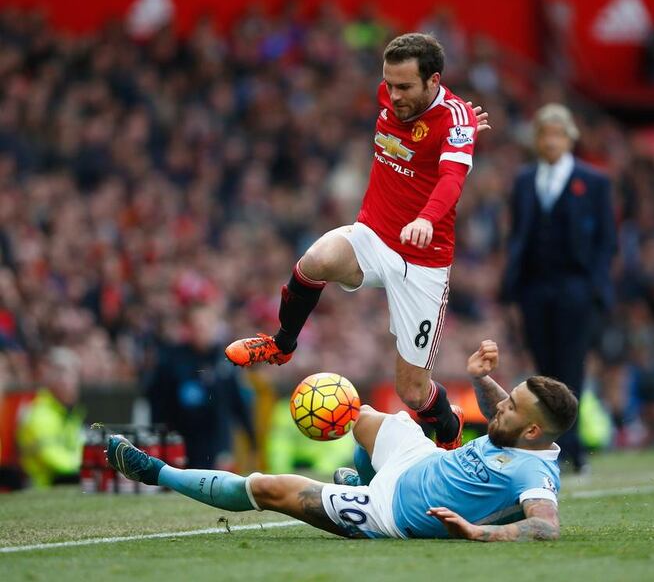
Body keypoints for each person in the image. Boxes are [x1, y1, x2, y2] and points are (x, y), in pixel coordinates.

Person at [225, 33, 488, 450]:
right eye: (389, 84)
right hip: (373, 234)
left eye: (404, 87)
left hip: (423, 261)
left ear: (433, 81)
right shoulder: (394, 96)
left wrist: (426, 218)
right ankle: (281, 344)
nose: (393, 95)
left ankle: (450, 426)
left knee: (414, 393)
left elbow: (452, 180)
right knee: (316, 259)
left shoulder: (456, 120)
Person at [107, 340, 577, 541]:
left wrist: (478, 532)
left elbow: (545, 527)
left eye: (512, 408)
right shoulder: (520, 432)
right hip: (419, 460)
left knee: (272, 489)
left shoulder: (533, 473)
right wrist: (482, 379)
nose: (500, 406)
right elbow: (501, 405)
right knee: (366, 417)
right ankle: (362, 477)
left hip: (390, 513)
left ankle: (154, 471)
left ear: (534, 432)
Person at [500, 103, 616, 472]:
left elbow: (606, 240)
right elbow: (519, 233)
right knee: (544, 369)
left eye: (557, 134)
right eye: (544, 134)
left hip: (574, 287)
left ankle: (575, 448)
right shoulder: (523, 180)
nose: (550, 142)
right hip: (535, 288)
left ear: (569, 138)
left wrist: (594, 285)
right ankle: (552, 447)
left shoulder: (594, 181)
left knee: (571, 368)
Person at [145, 305, 256, 469]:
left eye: (207, 325)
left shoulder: (226, 360)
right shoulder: (173, 361)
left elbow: (237, 403)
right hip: (181, 440)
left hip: (216, 443)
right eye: (197, 326)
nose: (202, 331)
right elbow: (158, 400)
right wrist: (158, 439)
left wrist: (252, 439)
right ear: (188, 328)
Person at [16, 347, 85, 488]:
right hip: (41, 488)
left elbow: (79, 448)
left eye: (76, 379)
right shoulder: (39, 415)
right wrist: (87, 466)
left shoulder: (69, 413)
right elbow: (53, 460)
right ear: (55, 380)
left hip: (64, 483)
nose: (74, 386)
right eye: (70, 378)